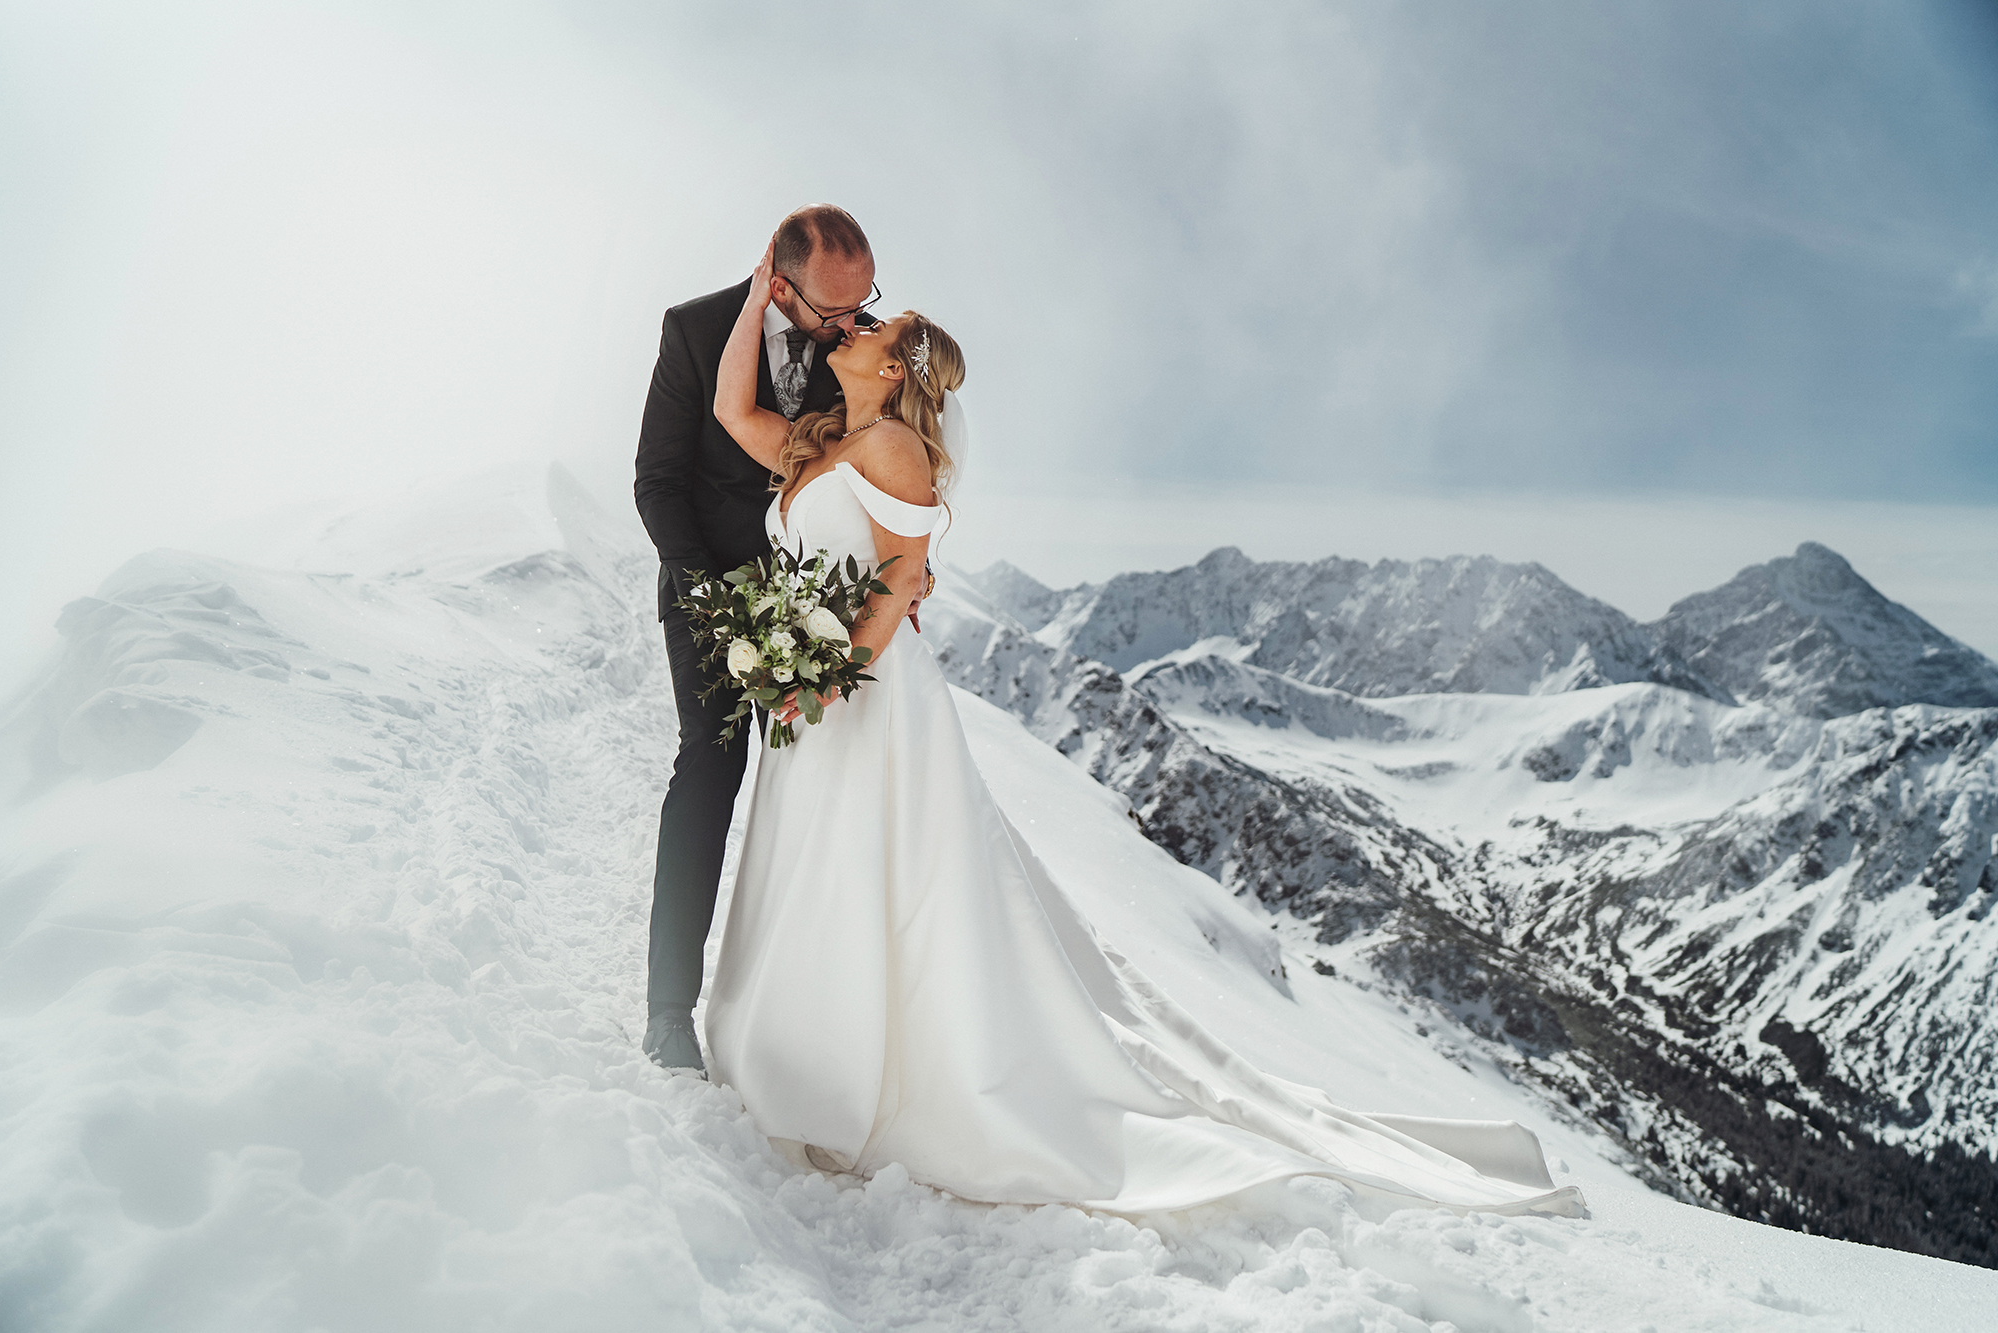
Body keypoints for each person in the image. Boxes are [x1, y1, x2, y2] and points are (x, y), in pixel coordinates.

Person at [694, 244, 1589, 1217]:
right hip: (816, 690)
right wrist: (753, 298)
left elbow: (900, 579)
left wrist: (828, 678)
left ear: (897, 370)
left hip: (860, 694)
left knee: (865, 867)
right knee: (812, 861)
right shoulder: (823, 441)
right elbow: (731, 414)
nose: (855, 327)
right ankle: (798, 1050)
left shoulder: (894, 451)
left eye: (877, 328)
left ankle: (857, 1073)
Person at [633, 205, 880, 1070]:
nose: (854, 328)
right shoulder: (694, 331)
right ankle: (670, 1009)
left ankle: (822, 1017)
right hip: (707, 589)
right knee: (711, 765)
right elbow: (658, 481)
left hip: (819, 603)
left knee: (834, 790)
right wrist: (708, 597)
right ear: (780, 285)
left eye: (865, 305)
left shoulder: (866, 348)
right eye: (833, 313)